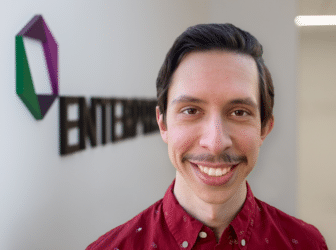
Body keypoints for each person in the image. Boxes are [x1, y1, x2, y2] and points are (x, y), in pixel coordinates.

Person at [86, 23, 328, 249]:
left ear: (264, 128)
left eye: (239, 112)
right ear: (163, 124)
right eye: (191, 110)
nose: (215, 144)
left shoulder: (307, 243)